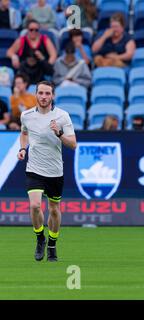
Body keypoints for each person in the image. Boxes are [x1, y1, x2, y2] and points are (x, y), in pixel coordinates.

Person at [17, 80, 77, 262]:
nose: (44, 97)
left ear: (53, 96)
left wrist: (58, 133)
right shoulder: (26, 115)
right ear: (35, 94)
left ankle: (52, 244)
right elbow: (24, 133)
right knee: (35, 205)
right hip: (34, 168)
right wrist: (22, 149)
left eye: (47, 93)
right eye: (41, 93)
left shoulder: (62, 116)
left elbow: (73, 144)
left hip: (55, 171)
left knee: (54, 210)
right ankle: (40, 238)